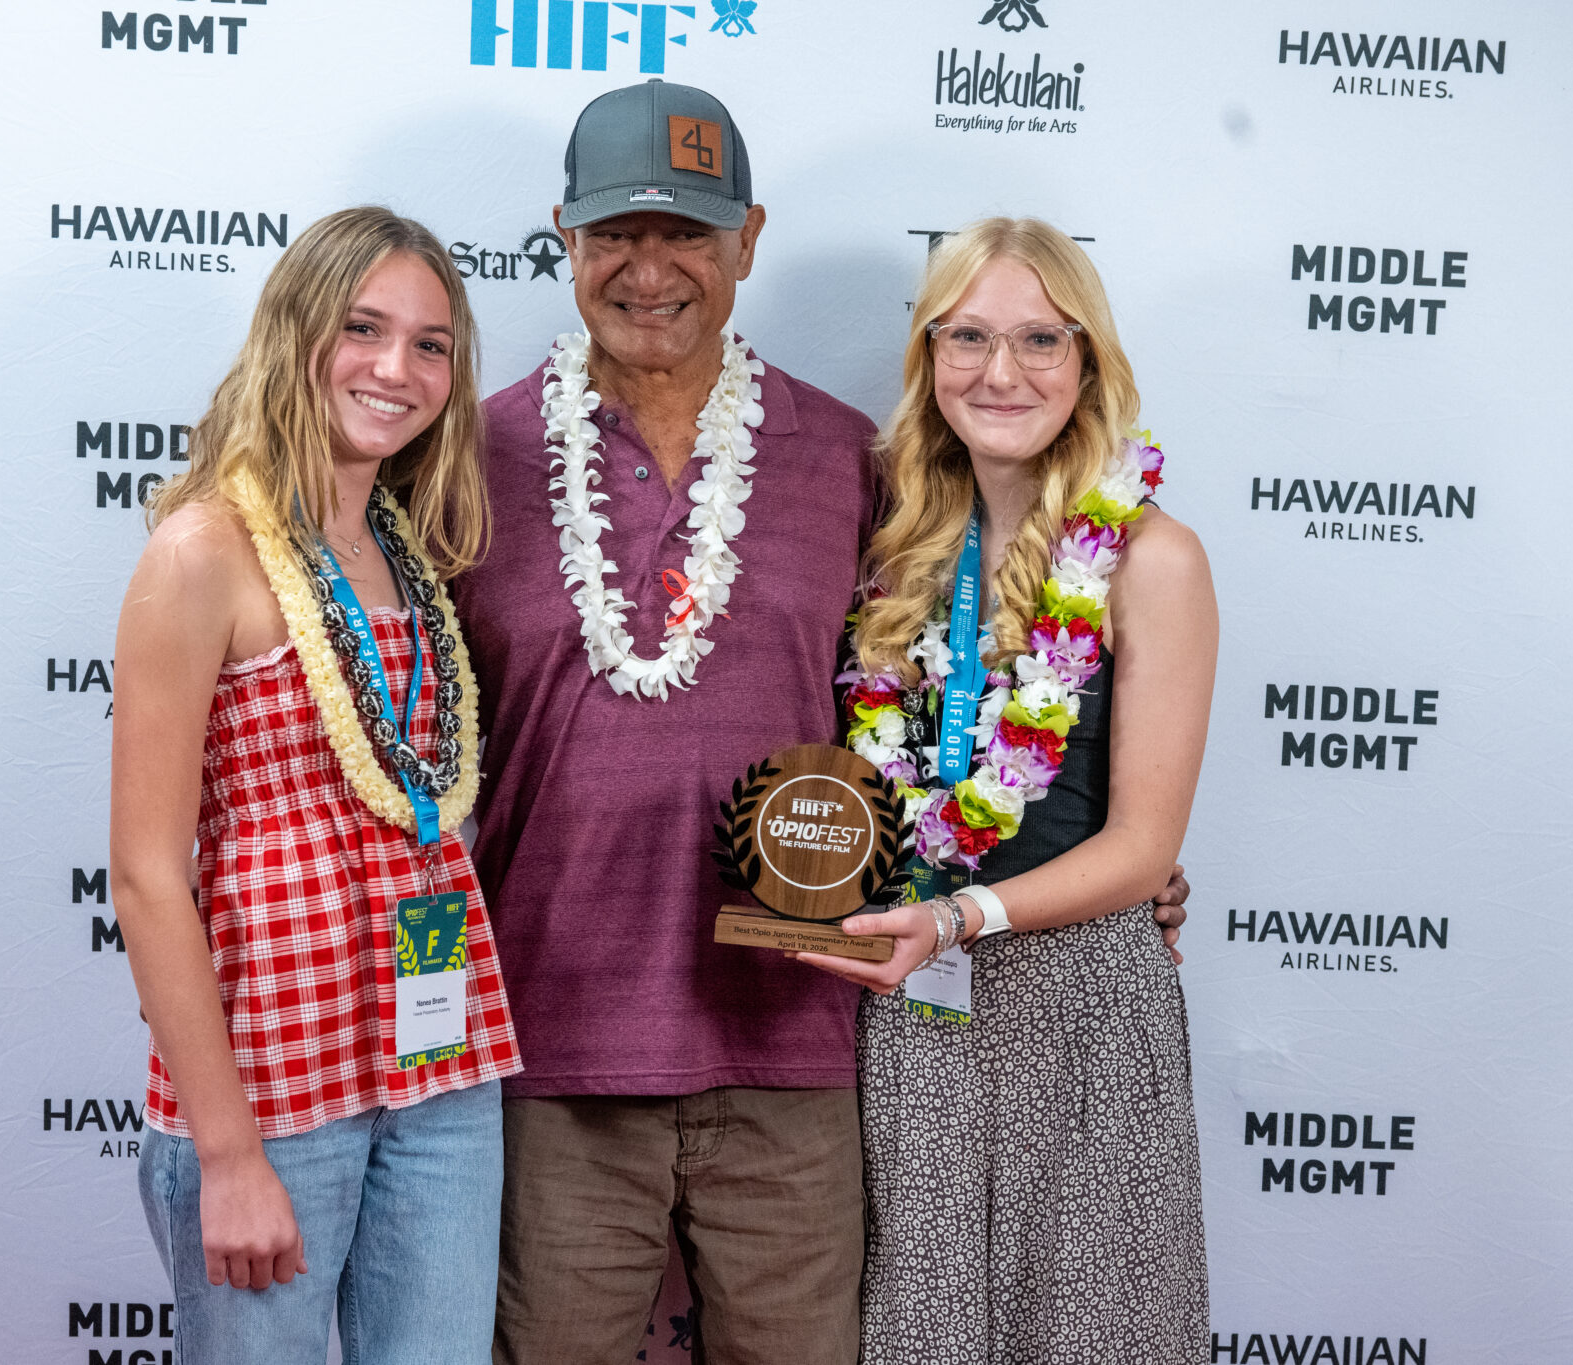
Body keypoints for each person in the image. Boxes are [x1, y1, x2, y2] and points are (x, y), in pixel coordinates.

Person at [450, 84, 1191, 1365]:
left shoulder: (855, 467)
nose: (648, 270)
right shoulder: (465, 459)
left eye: (687, 234)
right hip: (550, 1049)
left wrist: (1120, 862)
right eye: (615, 233)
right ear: (563, 239)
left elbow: (973, 687)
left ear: (746, 242)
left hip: (796, 1048)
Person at [109, 207, 521, 1365]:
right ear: (296, 333)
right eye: (363, 328)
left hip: (439, 1070)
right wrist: (227, 1152)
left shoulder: (406, 551)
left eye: (431, 345)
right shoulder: (201, 552)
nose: (396, 369)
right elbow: (145, 877)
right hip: (270, 1088)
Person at [808, 218, 1216, 1362]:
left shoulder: (1151, 560)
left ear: (1087, 361)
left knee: (1085, 1334)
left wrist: (958, 917)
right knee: (919, 1334)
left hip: (1081, 1015)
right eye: (969, 337)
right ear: (928, 355)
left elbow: (1142, 847)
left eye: (1040, 339)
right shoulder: (892, 555)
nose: (1001, 371)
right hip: (912, 1017)